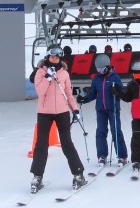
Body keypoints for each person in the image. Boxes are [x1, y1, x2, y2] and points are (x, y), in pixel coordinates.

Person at [30, 45, 87, 193]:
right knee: (41, 144)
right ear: (47, 56)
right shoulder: (40, 72)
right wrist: (48, 77)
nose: (55, 59)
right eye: (52, 56)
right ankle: (37, 176)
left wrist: (75, 109)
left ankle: (78, 173)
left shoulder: (64, 74)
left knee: (66, 143)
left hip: (62, 112)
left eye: (58, 57)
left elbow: (68, 93)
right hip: (44, 113)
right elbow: (40, 91)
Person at [79, 53, 128, 166]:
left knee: (116, 131)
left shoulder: (115, 77)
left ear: (108, 67)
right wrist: (84, 99)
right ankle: (102, 155)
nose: (100, 72)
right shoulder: (96, 79)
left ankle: (122, 156)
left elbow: (122, 92)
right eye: (98, 70)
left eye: (102, 69)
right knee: (101, 132)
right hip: (101, 109)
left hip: (113, 108)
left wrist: (117, 91)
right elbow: (93, 93)